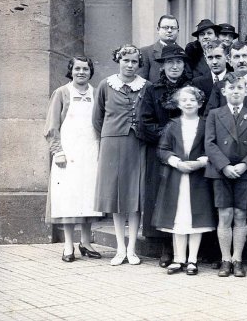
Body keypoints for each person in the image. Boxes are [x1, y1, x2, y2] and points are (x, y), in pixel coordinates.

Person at [93, 45, 150, 266]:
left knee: (134, 196)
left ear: (139, 64)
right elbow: (97, 119)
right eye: (125, 60)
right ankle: (120, 248)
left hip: (137, 144)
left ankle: (133, 248)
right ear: (118, 60)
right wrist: (111, 135)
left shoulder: (146, 86)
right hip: (113, 144)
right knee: (117, 197)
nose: (129, 65)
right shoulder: (105, 85)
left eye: (134, 62)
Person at [205, 73, 247, 278]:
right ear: (224, 91)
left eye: (240, 88)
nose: (235, 92)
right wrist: (224, 166)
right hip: (221, 172)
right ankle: (225, 259)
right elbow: (210, 144)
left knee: (240, 215)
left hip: (245, 173)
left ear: (246, 91)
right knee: (225, 215)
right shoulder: (214, 114)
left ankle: (238, 259)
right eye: (231, 88)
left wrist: (244, 165)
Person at [44, 56, 103, 262]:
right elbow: (52, 126)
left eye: (85, 69)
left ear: (90, 71)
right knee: (68, 200)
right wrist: (57, 151)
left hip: (90, 154)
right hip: (67, 156)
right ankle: (68, 245)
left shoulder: (96, 93)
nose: (81, 72)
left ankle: (86, 243)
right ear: (71, 71)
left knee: (88, 199)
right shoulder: (62, 93)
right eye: (77, 68)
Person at [151, 86, 215, 276]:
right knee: (178, 217)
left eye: (192, 100)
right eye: (184, 100)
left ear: (200, 103)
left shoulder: (205, 125)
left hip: (198, 179)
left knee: (196, 219)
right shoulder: (172, 126)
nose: (188, 103)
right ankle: (178, 258)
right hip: (176, 178)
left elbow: (211, 147)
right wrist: (176, 162)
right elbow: (162, 149)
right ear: (178, 103)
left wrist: (200, 162)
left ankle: (192, 259)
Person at [138, 44, 191, 268]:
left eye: (178, 62)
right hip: (160, 150)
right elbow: (144, 123)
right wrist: (169, 136)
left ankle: (187, 248)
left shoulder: (191, 89)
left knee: (184, 198)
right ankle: (165, 247)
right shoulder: (152, 90)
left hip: (187, 150)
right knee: (161, 197)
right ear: (163, 66)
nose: (174, 66)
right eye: (170, 62)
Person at [138, 14, 185, 83]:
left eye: (173, 28)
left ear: (178, 31)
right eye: (166, 27)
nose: (169, 31)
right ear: (158, 30)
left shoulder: (183, 53)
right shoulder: (145, 52)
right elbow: (141, 83)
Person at [192, 40, 228, 111]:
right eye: (210, 58)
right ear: (206, 59)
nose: (214, 62)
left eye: (218, 57)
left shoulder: (235, 80)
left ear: (227, 58)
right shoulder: (198, 83)